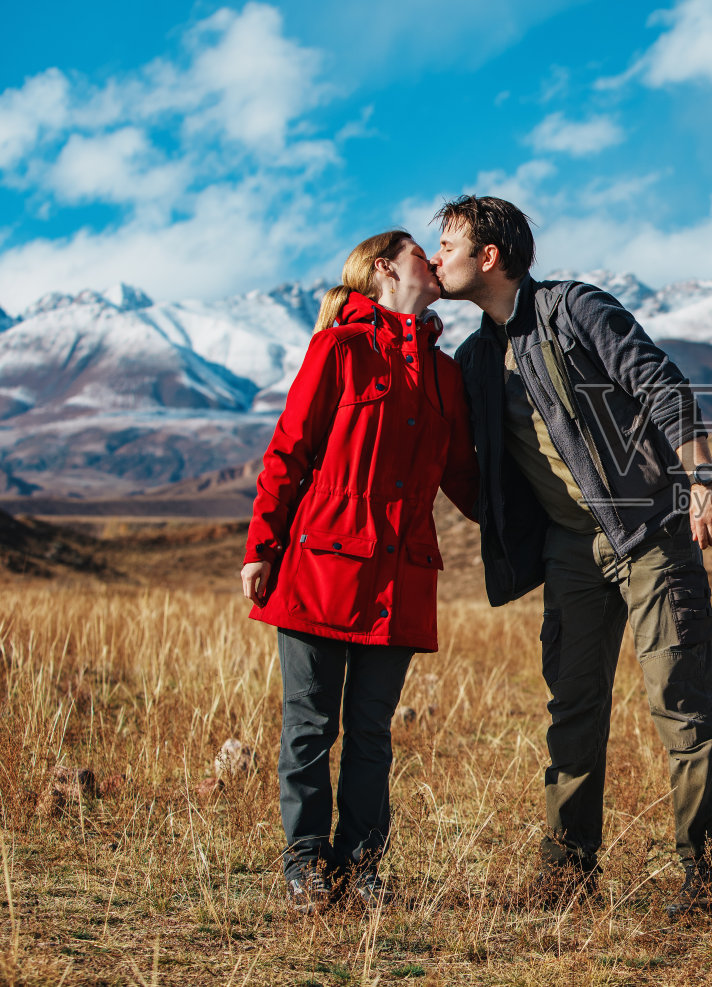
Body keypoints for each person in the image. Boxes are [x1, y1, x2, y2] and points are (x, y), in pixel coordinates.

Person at [432, 195, 712, 916]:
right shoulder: (474, 358)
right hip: (570, 551)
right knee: (572, 707)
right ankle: (568, 873)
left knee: (680, 703)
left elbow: (661, 383)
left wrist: (702, 478)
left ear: (489, 256)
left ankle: (708, 877)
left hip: (651, 534)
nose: (437, 255)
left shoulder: (574, 309)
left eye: (447, 244)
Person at [240, 229, 478, 914]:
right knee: (311, 726)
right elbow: (288, 451)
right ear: (385, 269)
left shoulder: (445, 373)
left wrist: (544, 521)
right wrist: (261, 546)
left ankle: (361, 866)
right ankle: (305, 863)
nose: (434, 261)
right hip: (320, 568)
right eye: (420, 253)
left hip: (401, 578)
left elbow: (465, 477)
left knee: (372, 732)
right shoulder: (338, 349)